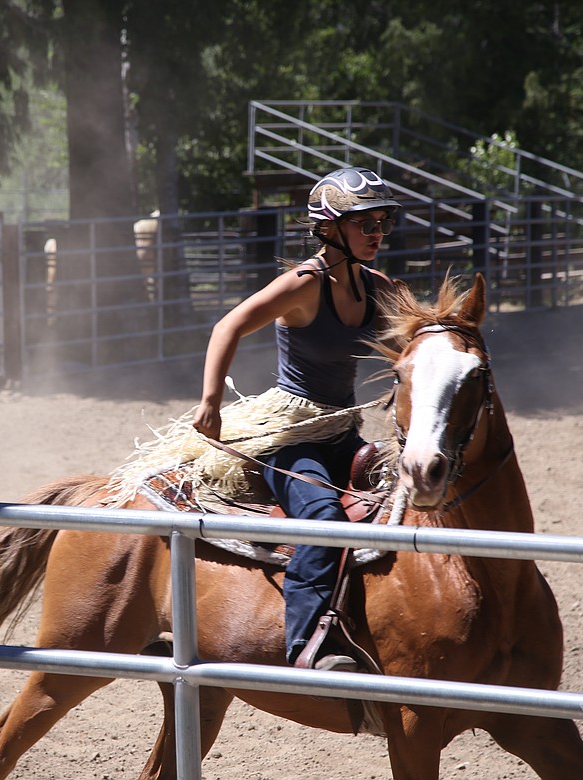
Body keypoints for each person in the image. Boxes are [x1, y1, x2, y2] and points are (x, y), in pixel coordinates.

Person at [108, 166, 399, 672]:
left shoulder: (380, 287)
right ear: (329, 227)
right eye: (364, 222)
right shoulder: (304, 285)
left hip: (343, 432)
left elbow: (406, 346)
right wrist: (210, 401)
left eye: (381, 222)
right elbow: (229, 326)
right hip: (292, 437)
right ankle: (306, 642)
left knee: (403, 501)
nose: (376, 232)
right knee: (323, 520)